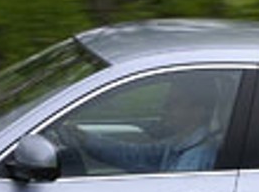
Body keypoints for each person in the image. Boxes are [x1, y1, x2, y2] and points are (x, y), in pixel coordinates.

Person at [61, 74, 224, 173]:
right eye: (167, 102)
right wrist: (84, 138)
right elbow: (136, 155)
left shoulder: (196, 157)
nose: (165, 108)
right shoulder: (181, 142)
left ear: (199, 110)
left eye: (174, 103)